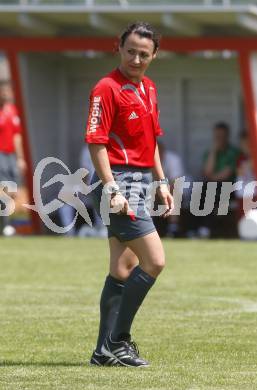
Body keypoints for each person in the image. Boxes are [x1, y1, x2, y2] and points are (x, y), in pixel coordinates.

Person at [85, 22, 174, 367]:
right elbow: (96, 143)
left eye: (144, 53)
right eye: (131, 50)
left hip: (139, 181)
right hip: (117, 183)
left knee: (123, 269)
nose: (137, 58)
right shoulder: (105, 88)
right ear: (118, 48)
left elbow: (150, 142)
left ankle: (102, 353)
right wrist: (112, 189)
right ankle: (117, 341)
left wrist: (162, 182)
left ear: (154, 55)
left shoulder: (149, 88)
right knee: (155, 261)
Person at [0, 81, 26, 235]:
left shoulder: (13, 111)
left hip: (11, 156)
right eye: (3, 91)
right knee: (3, 189)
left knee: (13, 192)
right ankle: (6, 225)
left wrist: (21, 158)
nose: (6, 94)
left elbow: (17, 136)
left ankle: (6, 223)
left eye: (7, 91)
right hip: (0, 154)